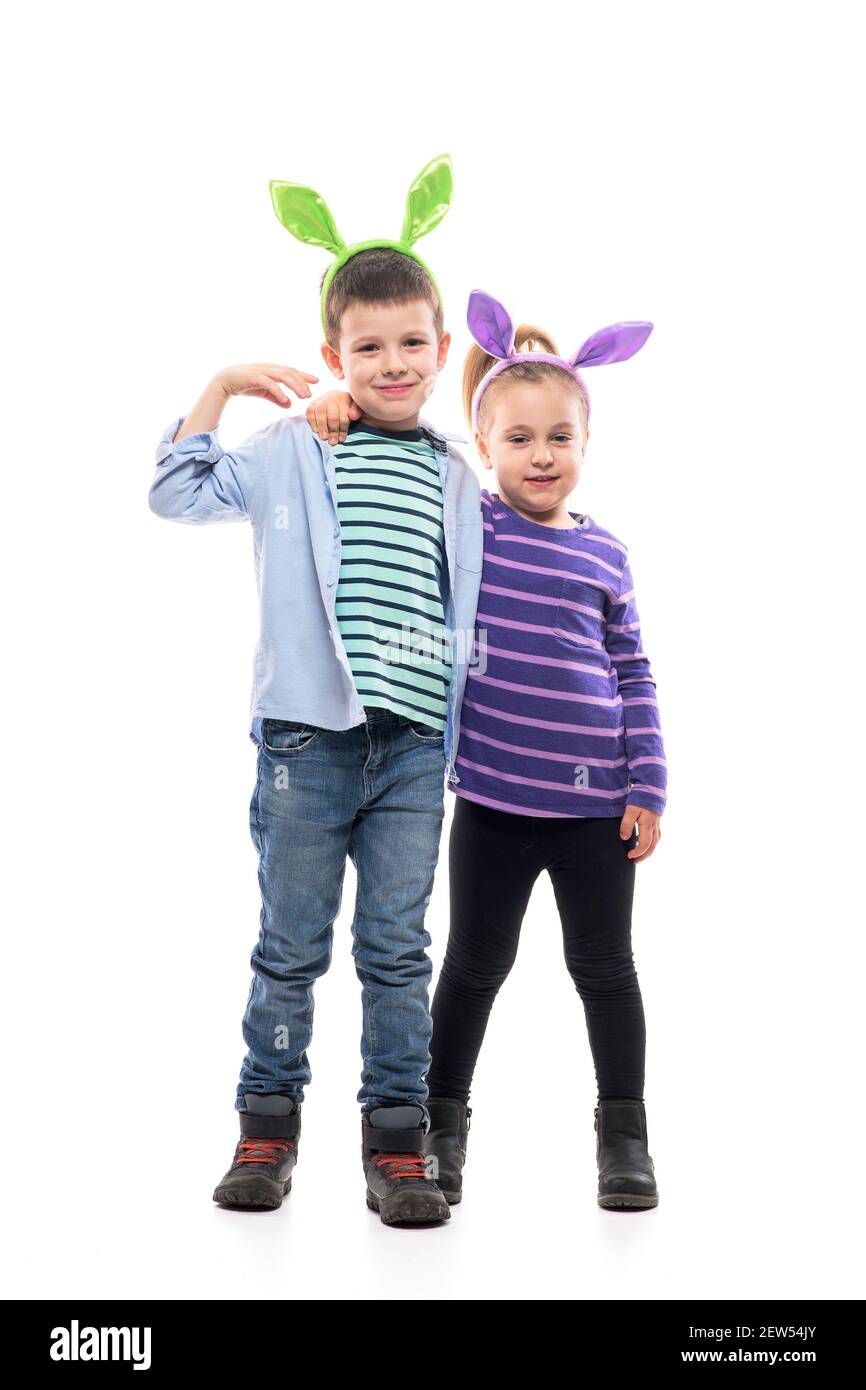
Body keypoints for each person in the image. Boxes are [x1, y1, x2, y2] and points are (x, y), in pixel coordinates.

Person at [147, 154, 482, 1227]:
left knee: (395, 948)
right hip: (306, 741)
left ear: (436, 351)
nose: (390, 362)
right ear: (332, 354)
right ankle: (265, 1129)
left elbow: (476, 601)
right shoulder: (298, 447)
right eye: (367, 346)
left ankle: (397, 1143)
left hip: (413, 746)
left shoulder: (452, 472)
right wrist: (226, 385)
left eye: (410, 343)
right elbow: (175, 489)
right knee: (289, 944)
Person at [308, 287, 667, 1211]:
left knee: (605, 968)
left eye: (559, 439)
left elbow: (634, 673)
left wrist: (648, 787)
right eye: (517, 439)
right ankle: (439, 1127)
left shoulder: (607, 556)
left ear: (586, 446)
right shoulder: (471, 524)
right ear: (484, 447)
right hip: (495, 803)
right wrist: (334, 406)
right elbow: (393, 451)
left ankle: (623, 1136)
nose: (540, 456)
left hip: (595, 807)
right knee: (471, 965)